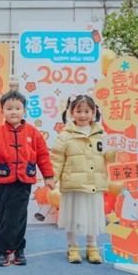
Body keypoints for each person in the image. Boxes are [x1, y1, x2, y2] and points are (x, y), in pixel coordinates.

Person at [0, 90, 55, 267]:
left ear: (24, 111)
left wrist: (48, 176)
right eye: (9, 108)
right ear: (2, 111)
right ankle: (12, 249)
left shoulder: (33, 132)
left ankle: (9, 250)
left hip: (23, 181)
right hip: (2, 181)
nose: (14, 112)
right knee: (3, 216)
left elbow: (43, 155)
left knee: (16, 216)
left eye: (18, 108)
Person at [50, 94, 114, 264]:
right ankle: (72, 247)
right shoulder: (65, 135)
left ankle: (92, 247)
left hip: (94, 183)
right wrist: (52, 178)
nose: (83, 115)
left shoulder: (102, 135)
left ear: (94, 112)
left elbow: (109, 157)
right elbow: (57, 159)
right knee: (72, 216)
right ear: (71, 113)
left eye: (87, 111)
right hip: (73, 183)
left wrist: (116, 148)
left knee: (93, 216)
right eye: (79, 111)